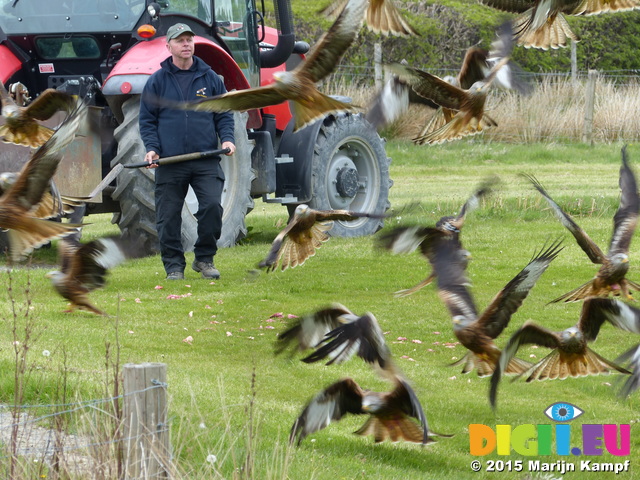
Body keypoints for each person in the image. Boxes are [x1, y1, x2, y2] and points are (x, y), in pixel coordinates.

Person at [139, 22, 236, 280]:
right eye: (180, 40)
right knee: (168, 217)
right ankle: (173, 266)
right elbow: (147, 121)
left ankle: (204, 259)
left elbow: (223, 114)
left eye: (189, 39)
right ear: (168, 45)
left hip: (205, 159)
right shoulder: (156, 82)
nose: (186, 44)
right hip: (170, 161)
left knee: (213, 207)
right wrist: (152, 149)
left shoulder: (211, 78)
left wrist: (227, 139)